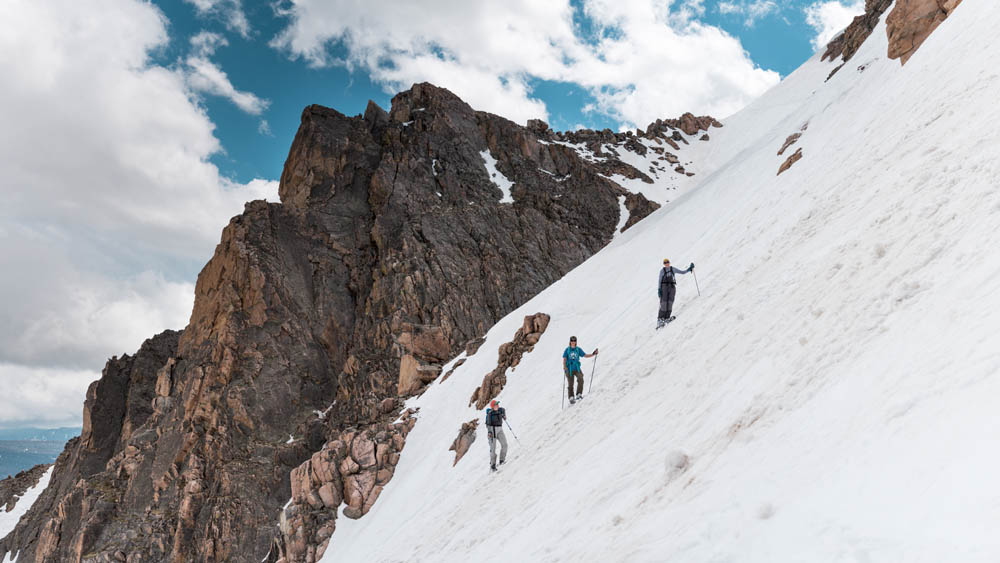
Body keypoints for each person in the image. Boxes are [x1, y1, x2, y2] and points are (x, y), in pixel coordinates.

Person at [658, 258, 694, 328]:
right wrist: (659, 289)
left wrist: (689, 269)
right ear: (664, 264)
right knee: (664, 303)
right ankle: (660, 319)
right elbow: (659, 281)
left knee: (670, 302)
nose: (666, 264)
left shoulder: (673, 269)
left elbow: (682, 272)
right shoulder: (662, 271)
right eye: (665, 263)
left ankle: (667, 318)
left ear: (669, 262)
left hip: (672, 287)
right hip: (664, 288)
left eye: (667, 262)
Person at [562, 336, 598, 404]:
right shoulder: (567, 350)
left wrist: (593, 354)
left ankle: (579, 394)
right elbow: (564, 359)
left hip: (576, 368)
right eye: (572, 341)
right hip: (569, 369)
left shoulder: (578, 349)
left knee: (580, 378)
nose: (573, 342)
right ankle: (571, 397)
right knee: (570, 383)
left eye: (574, 341)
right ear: (570, 342)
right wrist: (565, 367)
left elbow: (585, 355)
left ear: (576, 342)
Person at [485, 399, 507, 471]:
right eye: (496, 405)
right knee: (493, 448)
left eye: (497, 404)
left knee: (505, 444)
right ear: (492, 406)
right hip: (492, 430)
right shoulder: (490, 414)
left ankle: (502, 460)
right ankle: (493, 465)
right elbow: (487, 424)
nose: (497, 405)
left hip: (500, 429)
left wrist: (504, 415)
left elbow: (503, 409)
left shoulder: (500, 411)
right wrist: (489, 433)